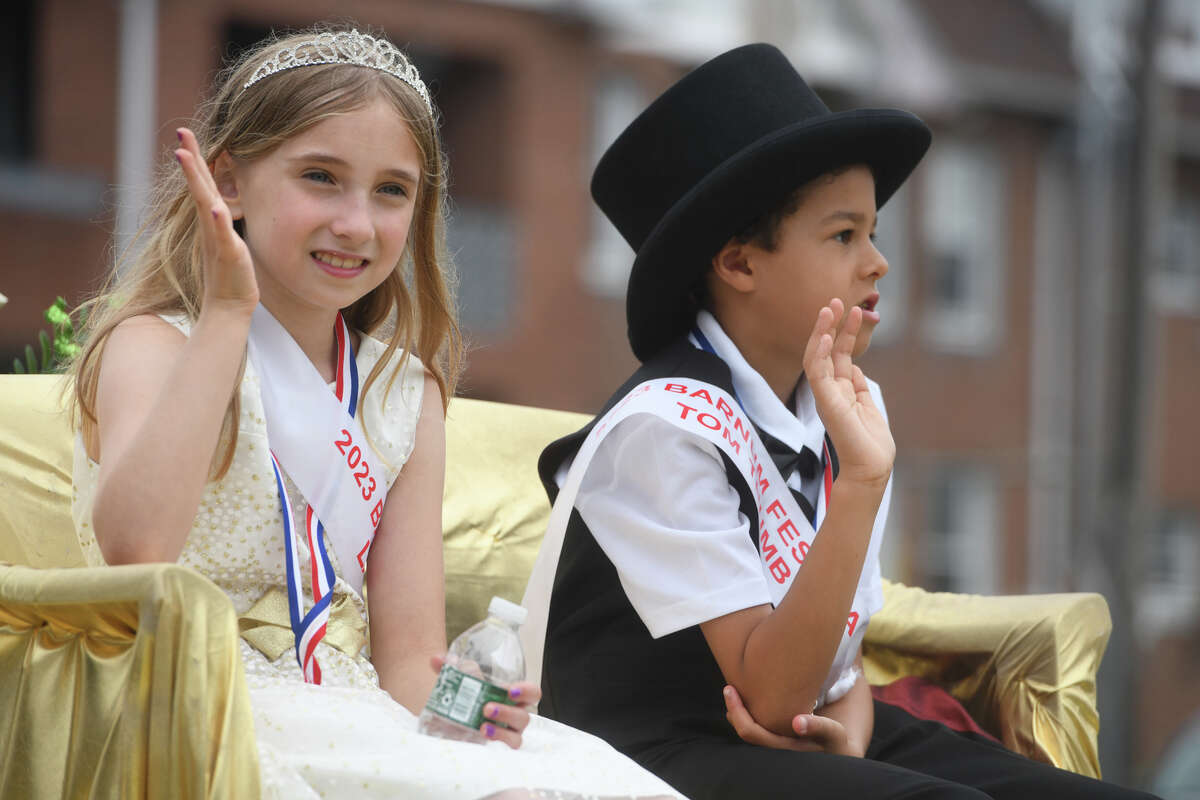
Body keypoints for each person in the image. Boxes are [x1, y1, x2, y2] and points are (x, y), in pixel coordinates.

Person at [523, 43, 1160, 800]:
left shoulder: (839, 404)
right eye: (843, 235)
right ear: (739, 263)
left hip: (806, 728)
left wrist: (855, 722)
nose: (878, 263)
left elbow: (839, 661)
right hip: (648, 758)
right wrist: (860, 484)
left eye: (874, 232)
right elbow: (770, 700)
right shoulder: (662, 430)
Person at [67, 24, 681, 800]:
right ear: (227, 181)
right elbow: (137, 551)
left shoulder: (404, 393)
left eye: (392, 190)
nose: (357, 223)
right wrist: (227, 317)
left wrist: (470, 710)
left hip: (348, 708)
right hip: (185, 711)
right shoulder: (154, 345)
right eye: (320, 176)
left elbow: (406, 659)